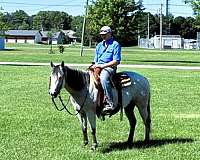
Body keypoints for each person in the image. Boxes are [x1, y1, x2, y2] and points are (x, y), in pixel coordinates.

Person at [91, 26, 121, 113]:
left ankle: (110, 103)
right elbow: (96, 60)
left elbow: (116, 61)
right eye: (101, 35)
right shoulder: (99, 45)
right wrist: (94, 65)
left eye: (105, 34)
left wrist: (102, 66)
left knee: (103, 78)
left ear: (110, 34)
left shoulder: (115, 44)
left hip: (110, 68)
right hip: (98, 66)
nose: (103, 36)